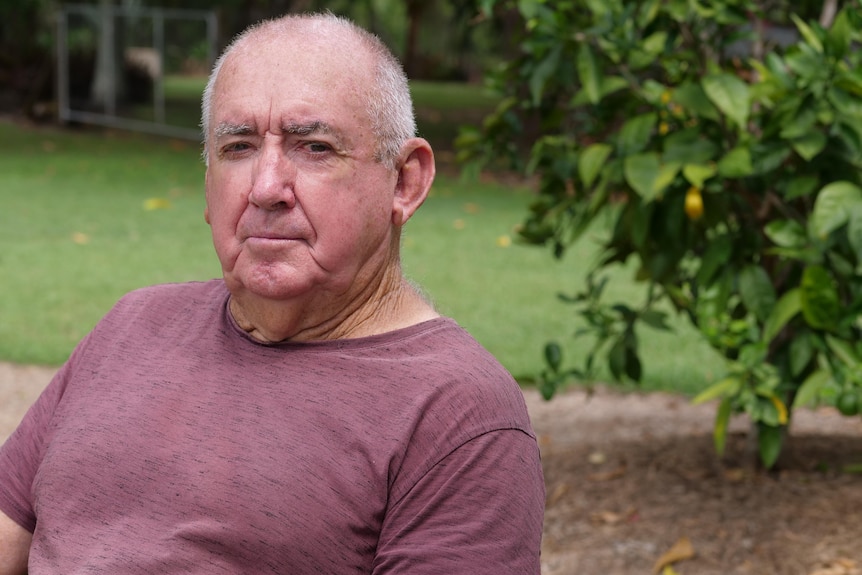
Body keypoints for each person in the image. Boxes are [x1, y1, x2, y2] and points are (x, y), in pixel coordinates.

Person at [0, 12, 544, 574]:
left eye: (314, 147)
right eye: (238, 147)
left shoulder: (456, 412)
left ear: (405, 181)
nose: (265, 188)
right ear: (208, 185)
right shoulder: (135, 324)